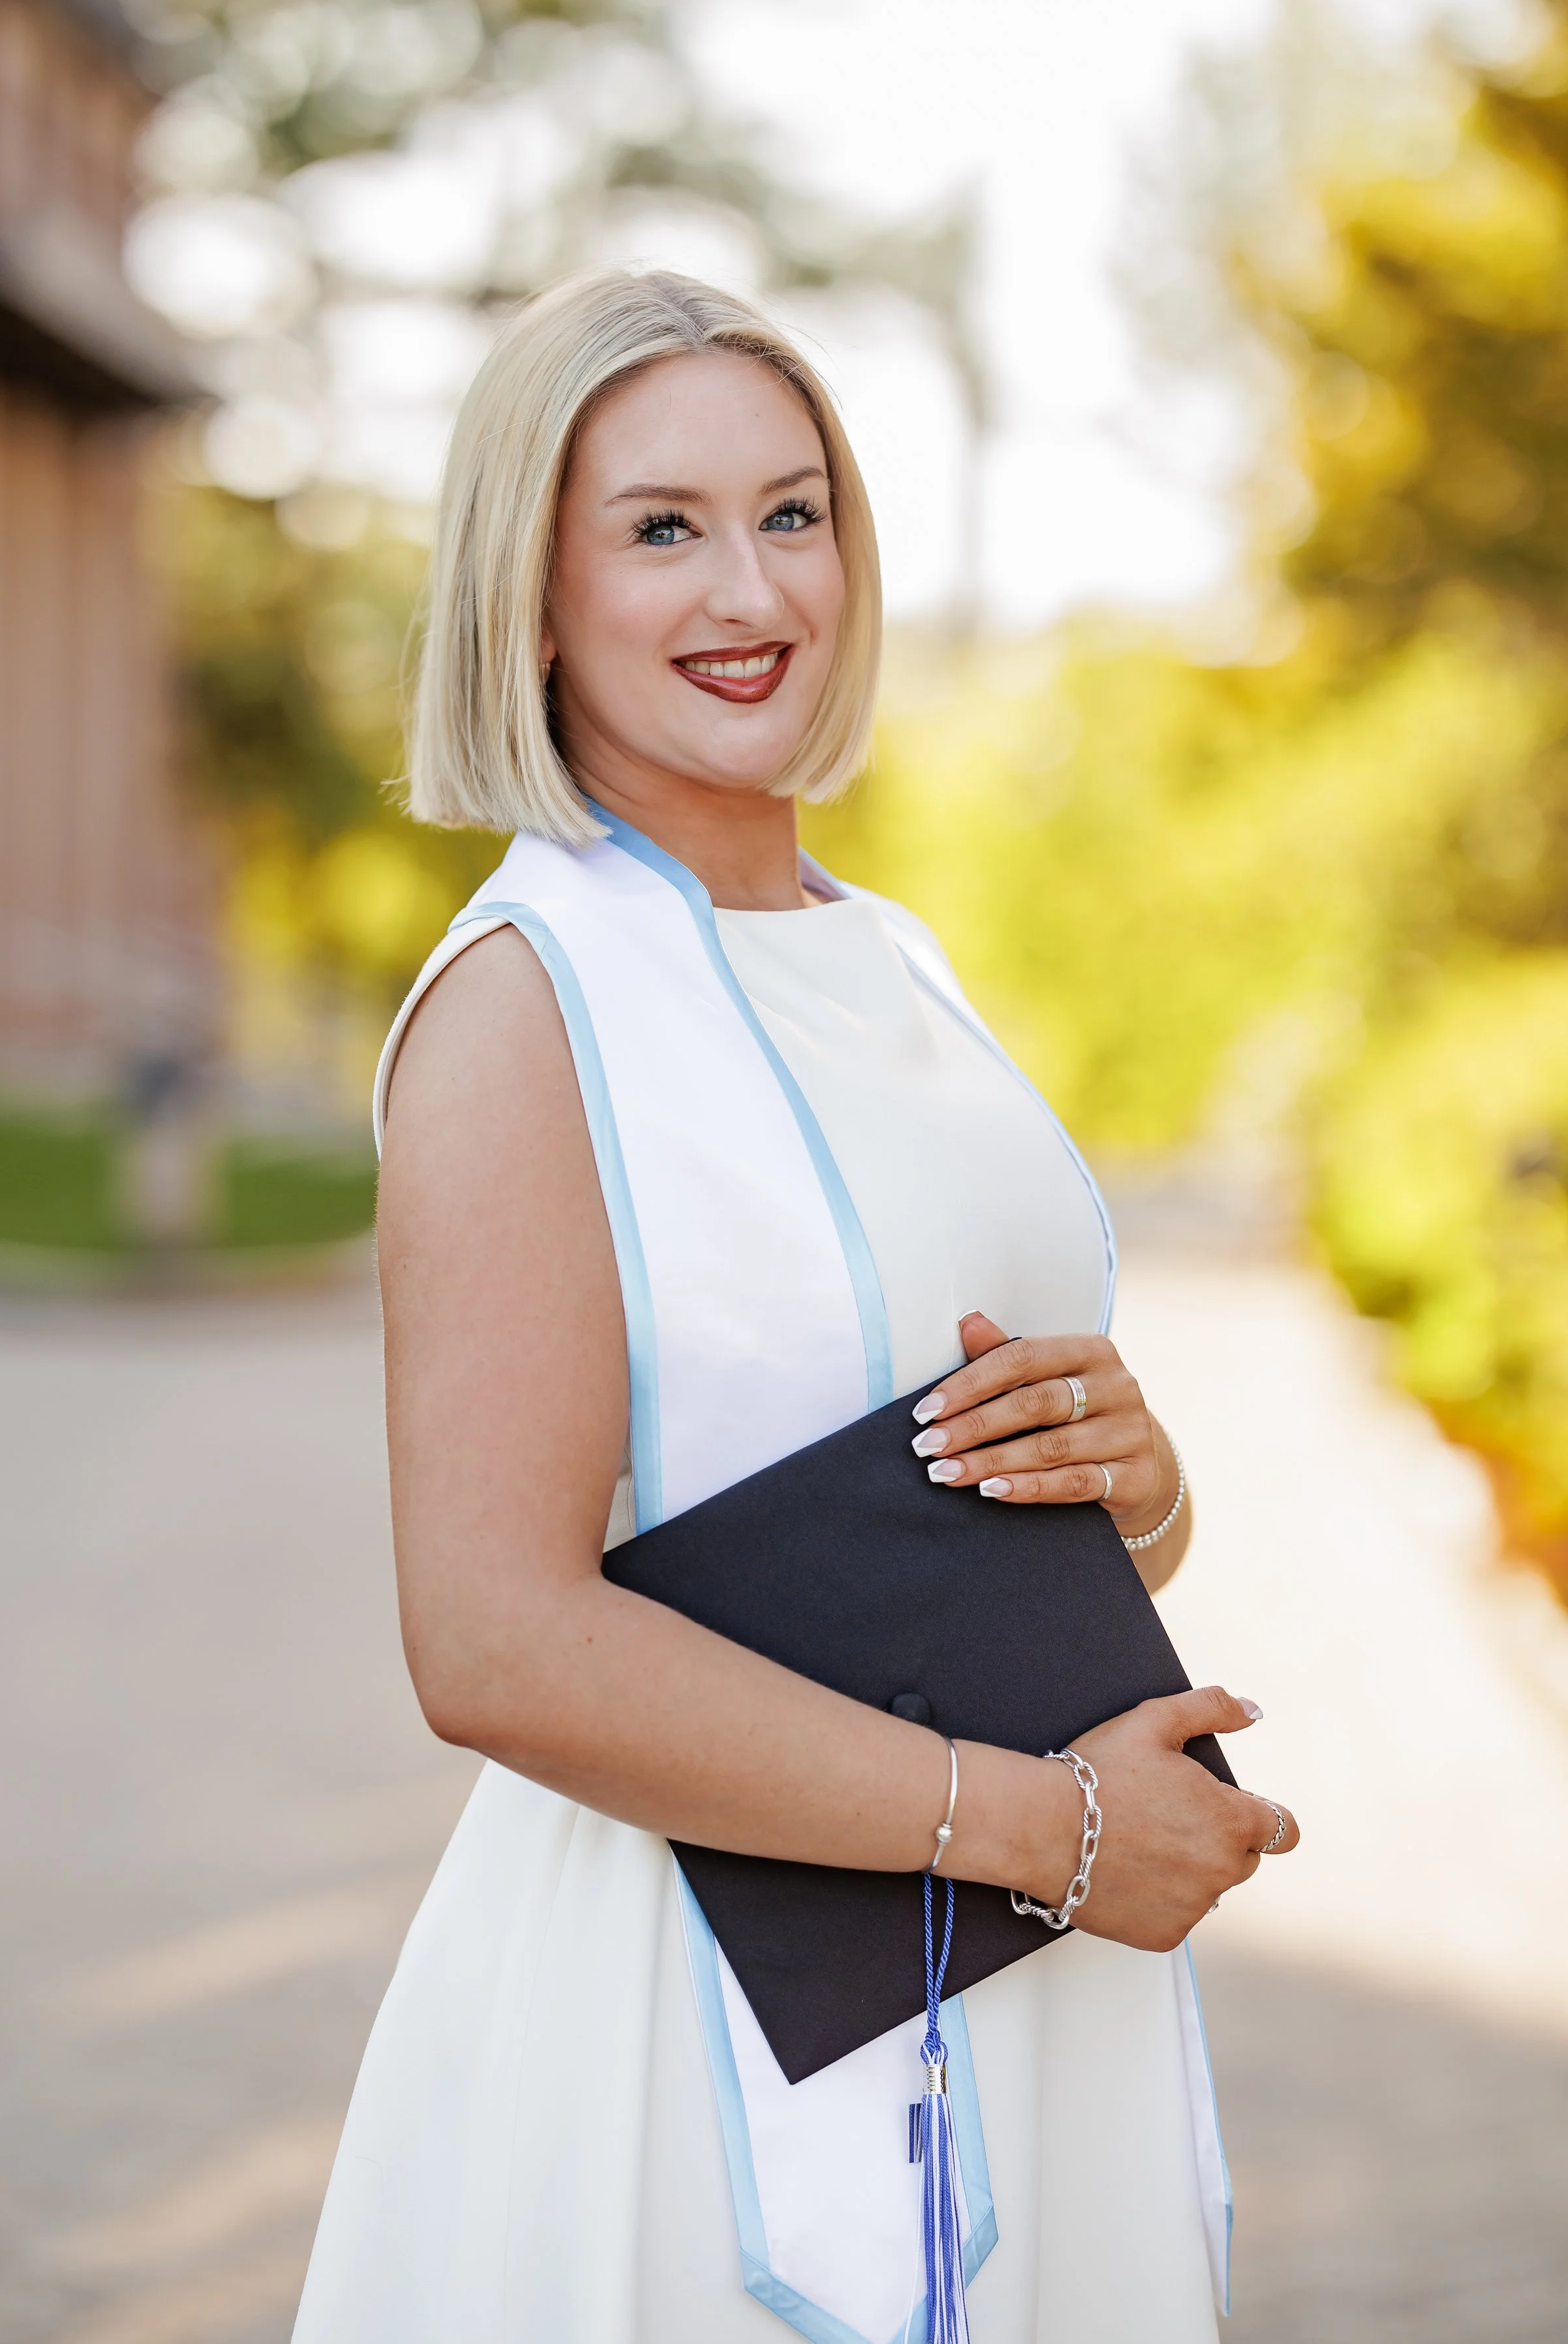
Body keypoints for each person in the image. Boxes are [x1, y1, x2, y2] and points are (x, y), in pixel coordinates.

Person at [291, 267, 1298, 2344]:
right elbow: (491, 1635)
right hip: (706, 2014)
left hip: (1020, 1953)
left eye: (792, 510)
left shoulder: (895, 957)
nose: (747, 584)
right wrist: (1051, 1830)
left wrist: (1141, 1473)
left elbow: (958, 1481)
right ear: (531, 593)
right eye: (657, 526)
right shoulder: (528, 1003)